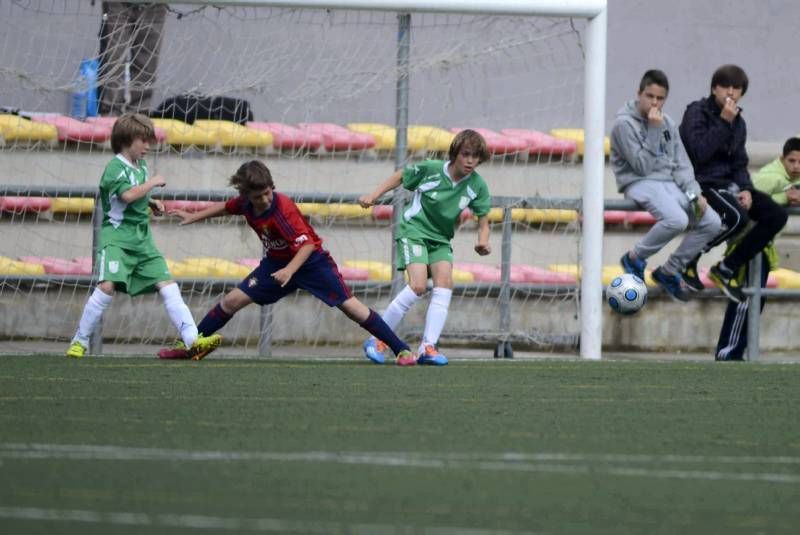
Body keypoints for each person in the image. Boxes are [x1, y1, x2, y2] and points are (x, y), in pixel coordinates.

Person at [156, 160, 418, 365]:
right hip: (276, 265)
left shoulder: (282, 208)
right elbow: (227, 207)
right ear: (247, 195)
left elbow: (307, 245)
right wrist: (194, 215)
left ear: (272, 187)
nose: (265, 200)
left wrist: (290, 271)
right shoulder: (246, 203)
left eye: (268, 193)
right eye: (258, 197)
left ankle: (401, 350)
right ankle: (191, 345)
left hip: (312, 263)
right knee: (231, 301)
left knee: (352, 308)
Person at [66, 113, 221, 359]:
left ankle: (193, 340)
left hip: (142, 239)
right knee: (106, 286)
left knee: (168, 285)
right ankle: (79, 341)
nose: (148, 146)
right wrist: (152, 184)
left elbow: (134, 196)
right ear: (128, 140)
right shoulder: (115, 167)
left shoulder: (141, 166)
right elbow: (126, 196)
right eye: (144, 140)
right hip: (117, 238)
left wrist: (151, 203)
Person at [357, 129, 492, 366]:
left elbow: (484, 220)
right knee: (418, 285)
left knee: (445, 284)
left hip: (440, 239)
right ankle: (377, 339)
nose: (471, 161)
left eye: (476, 157)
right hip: (415, 232)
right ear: (455, 153)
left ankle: (427, 347)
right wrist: (374, 195)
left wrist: (483, 241)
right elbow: (401, 176)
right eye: (466, 154)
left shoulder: (477, 185)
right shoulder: (431, 170)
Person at [679, 64, 788, 303]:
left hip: (730, 185)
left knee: (776, 215)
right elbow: (698, 154)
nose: (730, 92)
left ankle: (726, 267)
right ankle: (687, 259)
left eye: (736, 88)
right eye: (725, 86)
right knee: (739, 217)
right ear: (713, 88)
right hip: (702, 182)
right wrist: (722, 122)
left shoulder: (739, 123)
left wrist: (747, 190)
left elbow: (740, 163)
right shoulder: (696, 112)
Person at [611, 69, 722, 302]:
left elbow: (681, 164)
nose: (654, 102)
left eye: (660, 98)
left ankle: (670, 270)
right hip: (639, 182)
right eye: (649, 96)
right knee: (677, 220)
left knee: (712, 221)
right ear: (639, 93)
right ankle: (634, 257)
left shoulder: (668, 122)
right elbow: (641, 167)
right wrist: (653, 128)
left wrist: (694, 194)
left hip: (669, 182)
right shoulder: (623, 124)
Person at [715, 137, 800, 361]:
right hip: (750, 245)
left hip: (762, 246)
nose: (796, 166)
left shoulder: (793, 178)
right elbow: (752, 197)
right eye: (792, 161)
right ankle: (728, 354)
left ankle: (735, 352)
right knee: (746, 301)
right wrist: (785, 196)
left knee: (754, 301)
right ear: (782, 159)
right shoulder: (771, 175)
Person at [98, 2, 167, 115]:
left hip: (155, 5)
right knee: (113, 59)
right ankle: (109, 115)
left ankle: (138, 116)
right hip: (119, 4)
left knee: (147, 64)